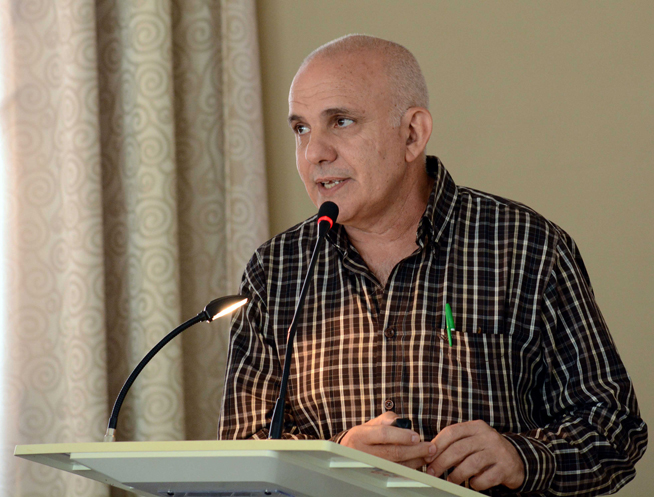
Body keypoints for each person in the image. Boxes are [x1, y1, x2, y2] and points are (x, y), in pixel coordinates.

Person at [218, 34, 647, 495]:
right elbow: (242, 450)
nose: (314, 153)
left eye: (340, 121)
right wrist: (335, 455)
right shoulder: (275, 270)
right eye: (301, 128)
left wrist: (521, 457)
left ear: (412, 134)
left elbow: (615, 431)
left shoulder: (527, 247)